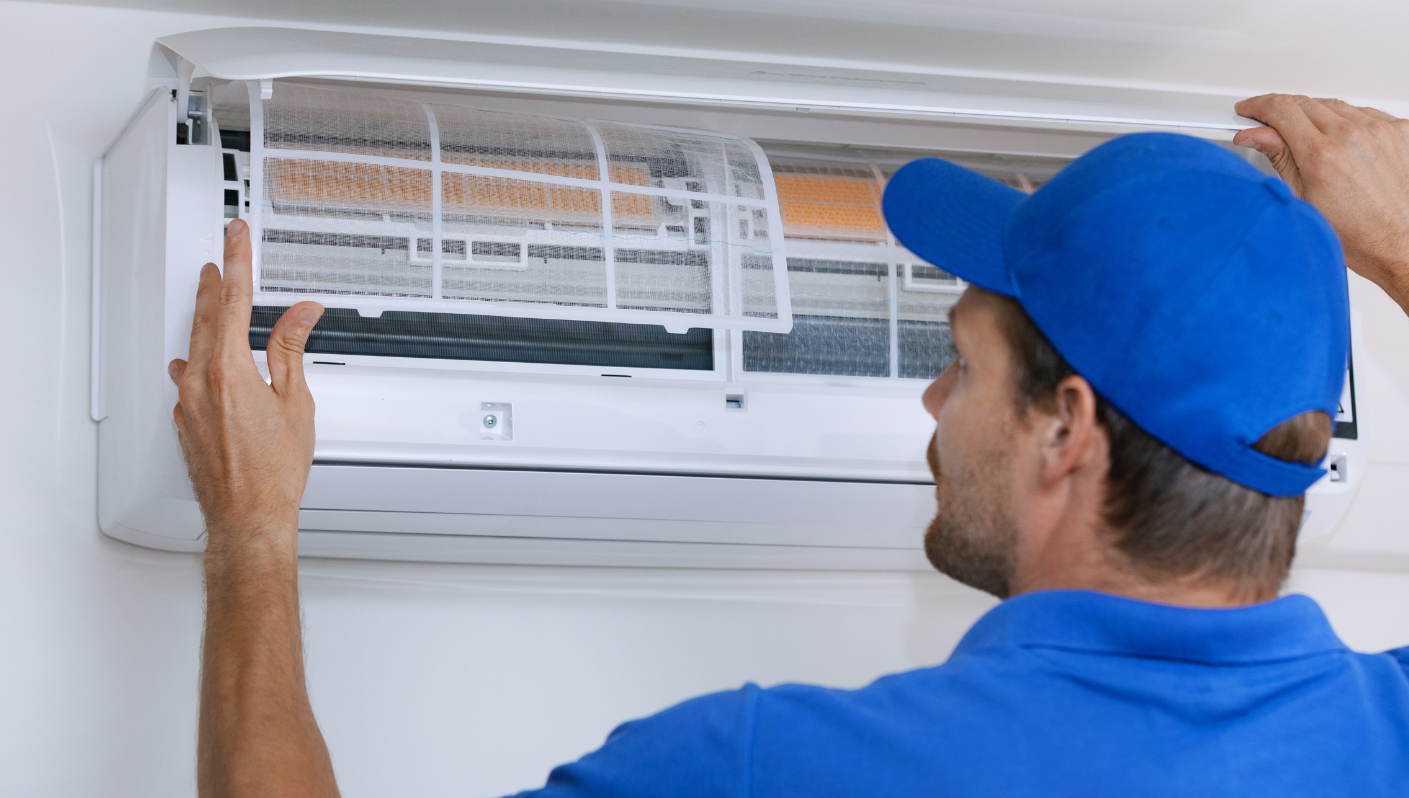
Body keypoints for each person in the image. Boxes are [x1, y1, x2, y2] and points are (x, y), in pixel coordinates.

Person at [171, 94, 1409, 798]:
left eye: (962, 363)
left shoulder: (778, 769)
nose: (933, 404)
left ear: (1066, 432)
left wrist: (250, 535)